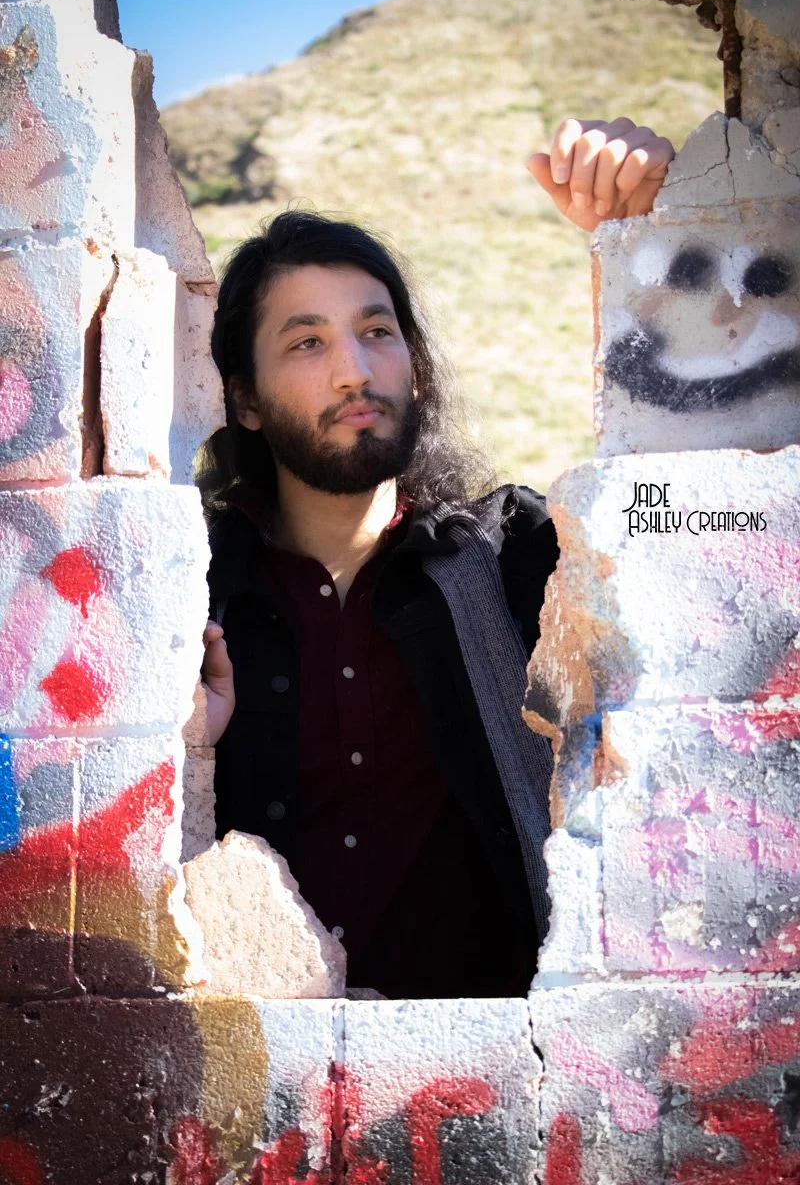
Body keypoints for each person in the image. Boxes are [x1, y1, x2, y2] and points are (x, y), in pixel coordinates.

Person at [196, 118, 675, 999]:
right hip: (247, 1099)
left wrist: (648, 235)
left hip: (504, 1092)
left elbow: (691, 547)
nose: (354, 370)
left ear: (414, 367)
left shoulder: (520, 558)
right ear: (246, 401)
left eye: (377, 332)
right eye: (306, 342)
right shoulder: (190, 592)